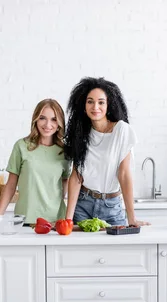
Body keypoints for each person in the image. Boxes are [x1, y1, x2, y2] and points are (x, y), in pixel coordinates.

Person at [63, 77, 148, 227]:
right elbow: (76, 177)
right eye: (90, 101)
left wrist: (132, 218)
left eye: (101, 102)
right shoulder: (81, 133)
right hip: (83, 205)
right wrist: (68, 221)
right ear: (84, 105)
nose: (95, 107)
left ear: (109, 105)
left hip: (111, 208)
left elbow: (124, 175)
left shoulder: (121, 130)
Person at [0, 99, 70, 225]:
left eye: (53, 119)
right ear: (35, 119)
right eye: (42, 118)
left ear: (59, 123)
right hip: (25, 219)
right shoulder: (21, 146)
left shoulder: (65, 152)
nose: (47, 124)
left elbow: (65, 183)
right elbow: (11, 185)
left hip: (56, 221)